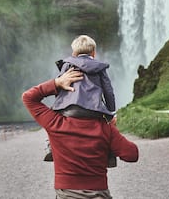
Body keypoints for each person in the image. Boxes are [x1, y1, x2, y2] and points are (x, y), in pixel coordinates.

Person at [22, 67, 139, 198]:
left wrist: (57, 83)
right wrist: (113, 130)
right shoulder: (105, 128)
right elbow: (132, 154)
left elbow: (28, 97)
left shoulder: (55, 122)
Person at [47, 35, 117, 166]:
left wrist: (59, 105)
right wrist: (112, 112)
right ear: (94, 53)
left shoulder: (67, 64)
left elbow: (60, 85)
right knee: (109, 127)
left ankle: (52, 147)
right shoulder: (100, 68)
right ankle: (109, 155)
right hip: (94, 110)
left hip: (70, 110)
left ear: (74, 53)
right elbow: (108, 91)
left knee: (51, 121)